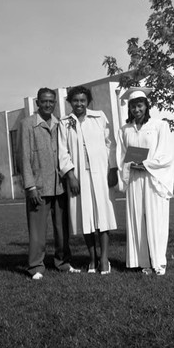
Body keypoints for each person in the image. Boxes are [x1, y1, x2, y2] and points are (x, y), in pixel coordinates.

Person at [17, 87, 80, 280]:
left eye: (51, 101)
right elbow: (23, 158)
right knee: (37, 231)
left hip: (59, 185)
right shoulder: (27, 124)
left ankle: (63, 262)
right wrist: (30, 186)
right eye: (44, 101)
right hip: (38, 186)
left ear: (55, 103)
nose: (48, 104)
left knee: (62, 230)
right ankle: (36, 266)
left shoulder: (60, 123)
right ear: (37, 102)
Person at [58, 86, 118, 274]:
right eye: (75, 100)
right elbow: (63, 152)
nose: (79, 104)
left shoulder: (99, 117)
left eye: (82, 100)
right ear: (70, 102)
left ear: (88, 101)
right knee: (86, 217)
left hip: (100, 173)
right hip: (79, 177)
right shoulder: (65, 122)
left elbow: (110, 145)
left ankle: (104, 258)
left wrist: (112, 168)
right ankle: (92, 259)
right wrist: (71, 175)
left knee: (103, 215)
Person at [116, 87, 173, 276]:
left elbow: (166, 154)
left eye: (139, 105)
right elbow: (121, 155)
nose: (136, 110)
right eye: (132, 106)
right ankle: (143, 262)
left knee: (156, 219)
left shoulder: (159, 125)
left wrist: (146, 165)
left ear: (146, 106)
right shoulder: (124, 130)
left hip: (152, 178)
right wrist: (129, 166)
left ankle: (159, 262)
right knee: (137, 219)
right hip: (134, 180)